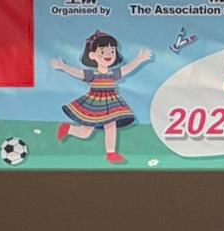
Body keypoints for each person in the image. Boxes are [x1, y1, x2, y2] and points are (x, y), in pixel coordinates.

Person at [52, 29, 152, 164]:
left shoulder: (114, 74)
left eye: (112, 51)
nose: (108, 55)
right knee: (86, 132)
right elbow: (78, 73)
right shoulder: (92, 74)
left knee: (110, 125)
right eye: (103, 52)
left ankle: (111, 153)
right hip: (94, 104)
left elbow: (127, 68)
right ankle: (68, 128)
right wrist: (64, 67)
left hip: (111, 103)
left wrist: (139, 60)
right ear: (92, 55)